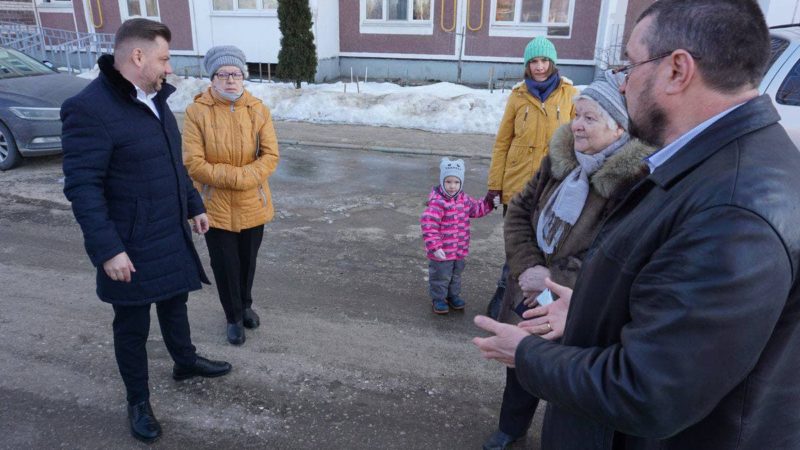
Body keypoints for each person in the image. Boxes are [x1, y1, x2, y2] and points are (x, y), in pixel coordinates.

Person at [473, 1, 800, 448]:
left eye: (629, 63)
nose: (623, 81)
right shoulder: (709, 166)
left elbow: (650, 391)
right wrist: (589, 312)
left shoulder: (734, 209)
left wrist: (527, 355)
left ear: (676, 70)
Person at [61, 19, 232, 443]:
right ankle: (138, 400)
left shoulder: (154, 97)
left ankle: (185, 361)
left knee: (176, 302)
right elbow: (83, 188)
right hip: (129, 243)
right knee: (132, 326)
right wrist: (108, 250)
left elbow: (173, 162)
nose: (169, 68)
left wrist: (193, 206)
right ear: (137, 57)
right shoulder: (90, 108)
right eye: (164, 58)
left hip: (168, 230)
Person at [482, 71, 653, 450]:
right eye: (576, 115)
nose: (576, 125)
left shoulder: (630, 182)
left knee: (566, 379)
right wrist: (527, 268)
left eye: (589, 118)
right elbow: (520, 211)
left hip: (579, 304)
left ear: (619, 127)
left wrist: (550, 278)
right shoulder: (560, 160)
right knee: (521, 364)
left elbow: (610, 256)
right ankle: (512, 429)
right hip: (528, 291)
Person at [183, 45, 280, 345]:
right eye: (223, 74)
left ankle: (246, 304)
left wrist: (243, 177)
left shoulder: (258, 109)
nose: (230, 80)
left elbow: (271, 155)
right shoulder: (196, 112)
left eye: (236, 74)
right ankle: (233, 317)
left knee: (248, 261)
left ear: (244, 77)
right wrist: (238, 177)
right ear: (212, 78)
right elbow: (193, 163)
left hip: (254, 202)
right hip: (216, 206)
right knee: (225, 265)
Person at [485, 36, 576, 319]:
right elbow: (502, 142)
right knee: (516, 245)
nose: (539, 67)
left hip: (553, 186)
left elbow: (577, 140)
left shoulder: (570, 94)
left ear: (553, 62)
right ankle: (505, 294)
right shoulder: (517, 96)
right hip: (517, 184)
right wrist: (494, 185)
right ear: (527, 65)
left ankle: (541, 302)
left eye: (544, 61)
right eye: (534, 62)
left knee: (546, 247)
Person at [421, 158, 498, 314]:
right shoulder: (437, 202)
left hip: (459, 250)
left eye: (456, 182)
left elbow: (477, 209)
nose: (452, 186)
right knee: (441, 276)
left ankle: (452, 296)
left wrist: (490, 202)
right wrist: (435, 247)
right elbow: (429, 226)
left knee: (455, 276)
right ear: (443, 181)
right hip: (442, 252)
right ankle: (439, 299)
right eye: (448, 181)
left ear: (461, 183)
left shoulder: (464, 199)